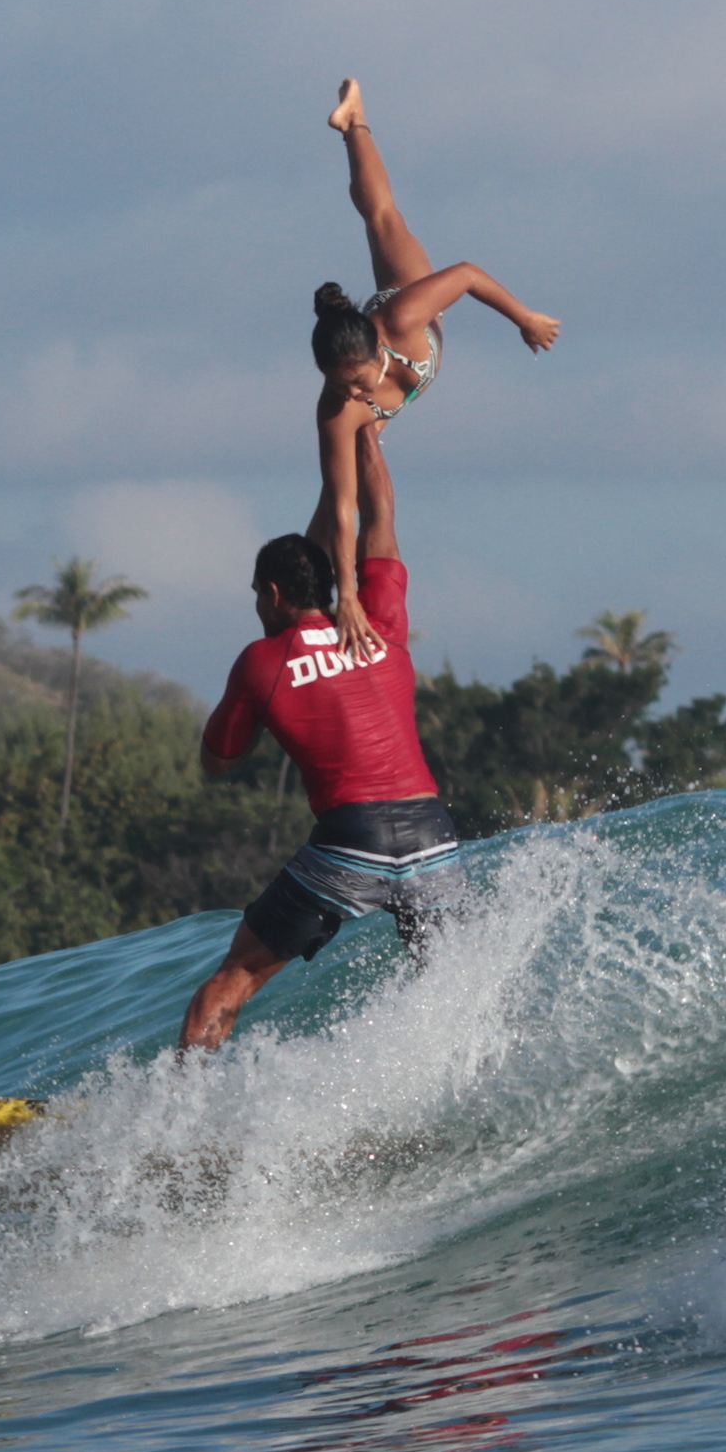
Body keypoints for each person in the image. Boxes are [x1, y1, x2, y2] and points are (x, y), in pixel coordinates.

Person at [185, 425, 466, 1050]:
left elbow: (217, 762)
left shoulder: (264, 660)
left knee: (232, 981)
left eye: (258, 594)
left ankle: (180, 1131)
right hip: (431, 835)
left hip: (351, 840)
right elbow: (381, 516)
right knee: (452, 984)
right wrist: (363, 426)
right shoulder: (382, 621)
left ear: (273, 593)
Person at [308, 75, 560, 660]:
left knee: (384, 219)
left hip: (416, 321)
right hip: (386, 393)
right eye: (336, 384)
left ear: (373, 350)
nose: (348, 391)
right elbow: (344, 506)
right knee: (332, 492)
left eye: (353, 379)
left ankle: (355, 120)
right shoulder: (337, 409)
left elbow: (469, 274)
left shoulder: (401, 316)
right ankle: (309, 596)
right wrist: (345, 593)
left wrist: (523, 318)